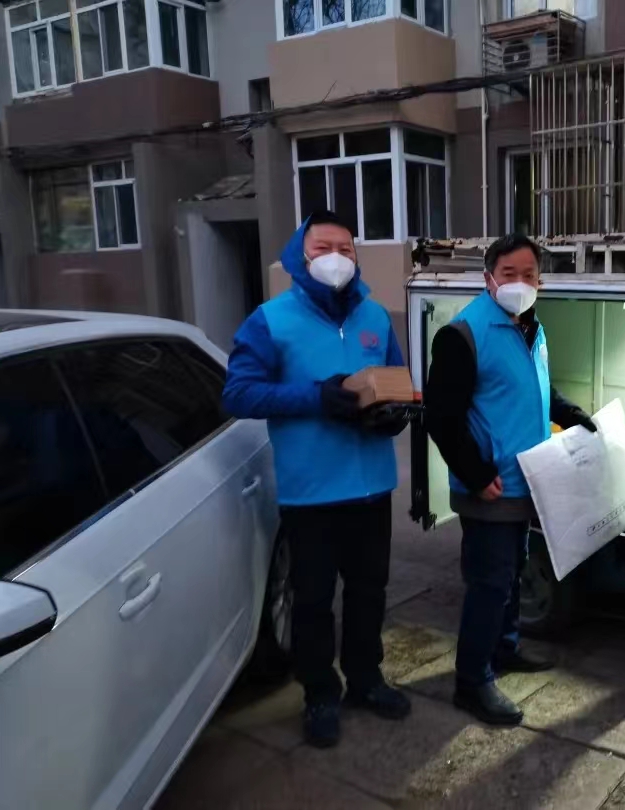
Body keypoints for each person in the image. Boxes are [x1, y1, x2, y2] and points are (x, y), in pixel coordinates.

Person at [222, 210, 411, 749]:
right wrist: (317, 397)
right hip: (311, 493)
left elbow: (396, 381)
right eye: (323, 247)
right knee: (312, 601)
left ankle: (366, 679)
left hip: (372, 487)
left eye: (346, 249)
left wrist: (395, 414)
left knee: (369, 593)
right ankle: (320, 694)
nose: (336, 257)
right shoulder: (270, 320)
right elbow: (238, 393)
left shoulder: (375, 316)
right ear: (300, 255)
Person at [424, 233, 596, 726]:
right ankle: (472, 681)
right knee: (490, 583)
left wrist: (570, 413)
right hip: (491, 487)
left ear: (540, 281)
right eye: (508, 274)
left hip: (526, 483)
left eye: (528, 275)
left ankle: (505, 648)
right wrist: (477, 474)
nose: (519, 283)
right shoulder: (463, 335)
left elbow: (535, 389)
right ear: (488, 279)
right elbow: (441, 417)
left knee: (512, 572)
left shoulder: (530, 328)